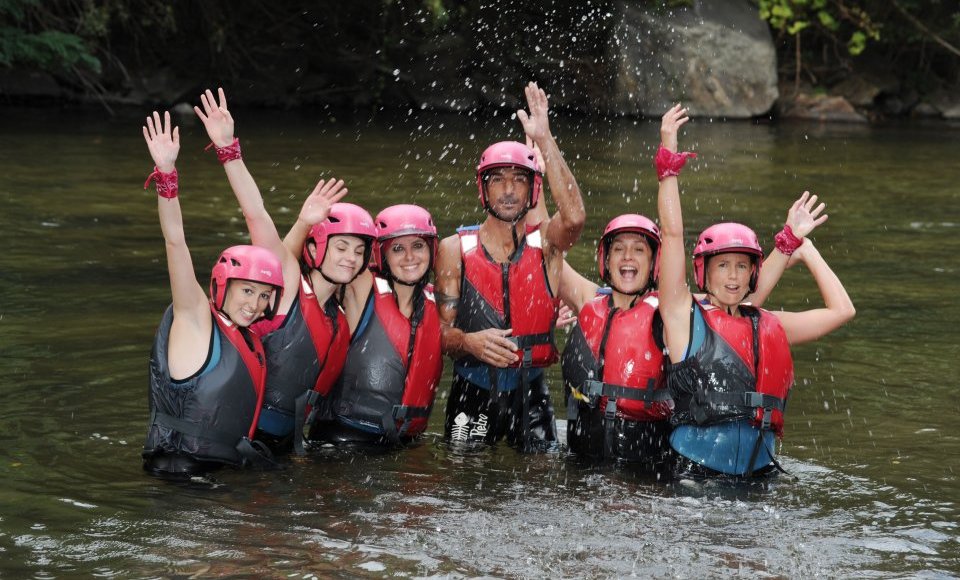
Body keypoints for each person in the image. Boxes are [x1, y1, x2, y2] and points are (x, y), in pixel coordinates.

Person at [655, 103, 856, 478]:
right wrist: (668, 162)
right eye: (723, 266)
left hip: (759, 481)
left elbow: (842, 311)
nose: (733, 277)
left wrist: (805, 249)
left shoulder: (768, 325)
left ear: (753, 274)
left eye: (742, 266)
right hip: (695, 481)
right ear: (703, 271)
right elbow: (672, 233)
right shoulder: (682, 316)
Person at [194, 88, 370, 455]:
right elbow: (255, 214)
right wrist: (228, 150)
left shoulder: (339, 316)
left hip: (287, 447)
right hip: (242, 438)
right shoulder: (288, 284)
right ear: (314, 248)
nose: (351, 258)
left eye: (358, 251)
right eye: (340, 247)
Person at [435, 82, 586, 451]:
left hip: (531, 392)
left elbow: (576, 217)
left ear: (533, 189)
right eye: (498, 180)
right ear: (482, 190)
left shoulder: (548, 244)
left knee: (536, 490)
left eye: (519, 180)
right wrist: (469, 341)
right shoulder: (454, 249)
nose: (507, 190)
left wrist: (545, 140)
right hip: (472, 390)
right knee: (464, 482)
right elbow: (439, 333)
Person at [140, 110, 285, 477]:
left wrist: (230, 148)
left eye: (264, 295)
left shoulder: (248, 335)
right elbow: (176, 242)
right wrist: (166, 176)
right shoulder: (194, 318)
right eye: (247, 290)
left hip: (221, 472)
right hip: (182, 476)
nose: (254, 304)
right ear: (221, 286)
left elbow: (259, 216)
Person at [308, 204, 443, 446]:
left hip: (403, 444)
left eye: (418, 246)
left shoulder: (436, 302)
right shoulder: (359, 286)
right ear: (380, 254)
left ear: (432, 250)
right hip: (343, 441)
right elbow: (314, 262)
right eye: (398, 248)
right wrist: (306, 225)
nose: (410, 257)